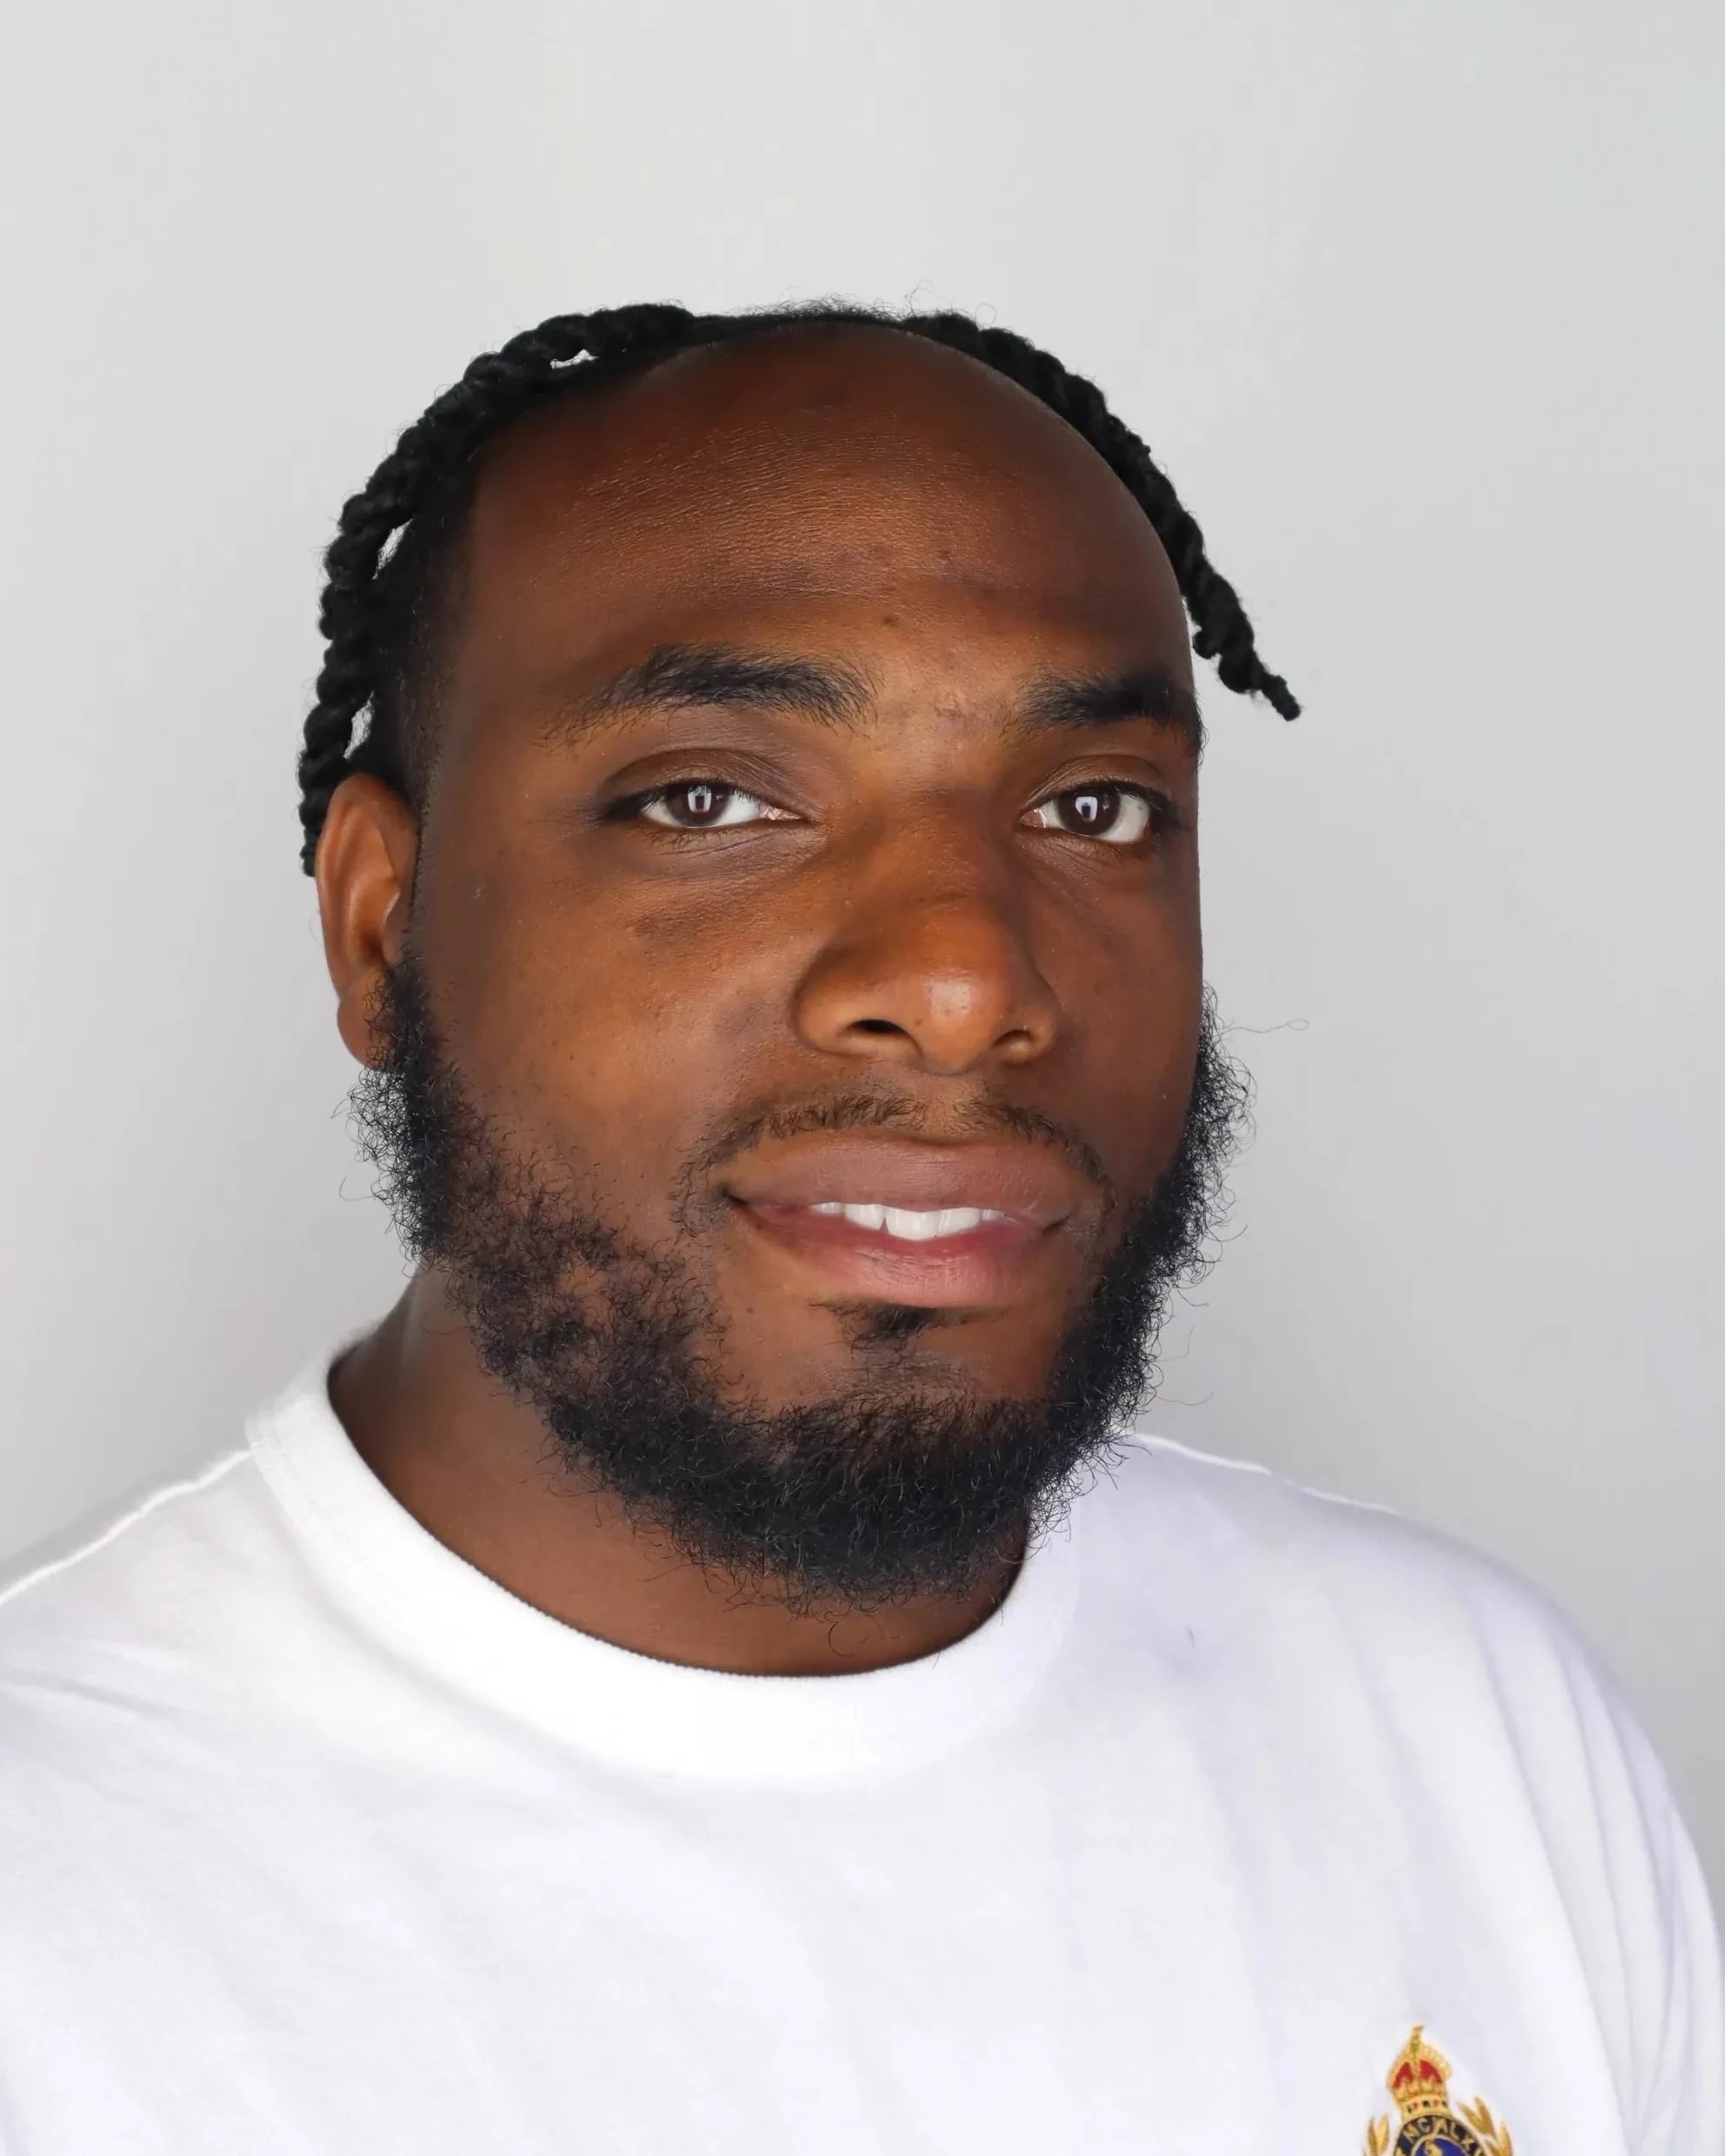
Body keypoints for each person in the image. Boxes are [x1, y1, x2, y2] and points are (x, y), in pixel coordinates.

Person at [0, 302, 1716, 2154]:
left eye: (1089, 805)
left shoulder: (1475, 1739)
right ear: (381, 926)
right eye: (712, 798)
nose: (966, 978)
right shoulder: (58, 1895)